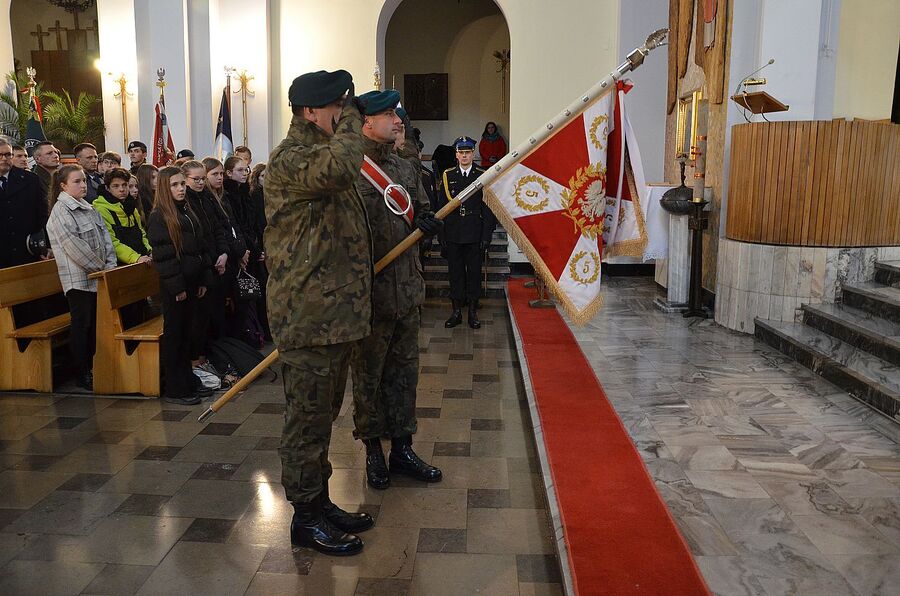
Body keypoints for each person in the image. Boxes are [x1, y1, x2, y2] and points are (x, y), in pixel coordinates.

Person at [266, 69, 372, 556]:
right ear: (311, 111)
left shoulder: (321, 153)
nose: (344, 115)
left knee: (323, 419)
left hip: (332, 317)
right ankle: (305, 518)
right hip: (307, 318)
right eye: (336, 107)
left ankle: (320, 500)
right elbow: (341, 167)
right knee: (306, 422)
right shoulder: (292, 159)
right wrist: (355, 117)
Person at [350, 89, 443, 491]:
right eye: (388, 114)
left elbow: (418, 210)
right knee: (369, 378)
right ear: (367, 122)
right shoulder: (351, 170)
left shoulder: (405, 169)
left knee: (405, 376)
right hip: (370, 297)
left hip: (406, 292)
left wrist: (426, 223)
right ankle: (373, 451)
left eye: (397, 114)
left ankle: (402, 449)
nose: (398, 120)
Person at [45, 164, 117, 391]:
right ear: (63, 186)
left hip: (99, 276)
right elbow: (74, 247)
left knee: (96, 324)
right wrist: (101, 268)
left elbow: (105, 237)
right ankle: (82, 371)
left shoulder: (88, 207)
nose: (83, 185)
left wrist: (110, 265)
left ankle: (97, 366)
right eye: (77, 181)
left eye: (84, 180)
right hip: (79, 280)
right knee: (82, 325)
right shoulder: (61, 212)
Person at [146, 166, 213, 406]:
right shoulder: (159, 216)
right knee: (175, 335)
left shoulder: (186, 211)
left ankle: (187, 378)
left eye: (182, 184)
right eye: (175, 185)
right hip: (176, 286)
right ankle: (175, 386)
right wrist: (178, 287)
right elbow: (164, 256)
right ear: (165, 188)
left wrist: (203, 279)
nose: (181, 189)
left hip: (192, 282)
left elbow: (199, 247)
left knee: (188, 333)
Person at [436, 136, 496, 329]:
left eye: (467, 152)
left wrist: (486, 236)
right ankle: (456, 312)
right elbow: (442, 207)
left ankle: (472, 312)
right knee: (455, 274)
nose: (464, 156)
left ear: (473, 154)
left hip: (474, 232)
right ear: (456, 154)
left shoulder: (482, 175)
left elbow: (488, 208)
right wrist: (441, 235)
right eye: (461, 152)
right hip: (453, 232)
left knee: (474, 274)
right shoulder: (448, 175)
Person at [182, 159, 228, 376]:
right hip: (202, 266)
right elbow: (196, 239)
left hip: (215, 262)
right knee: (197, 319)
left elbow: (219, 226)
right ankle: (196, 361)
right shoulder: (186, 203)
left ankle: (206, 357)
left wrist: (224, 252)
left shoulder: (207, 197)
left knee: (210, 314)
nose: (201, 183)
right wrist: (211, 259)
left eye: (202, 179)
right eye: (196, 179)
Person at [0, 139, 48, 269]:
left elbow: (43, 214)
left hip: (27, 250)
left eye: (8, 154)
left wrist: (48, 246)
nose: (4, 158)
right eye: (0, 155)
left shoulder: (30, 180)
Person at [93, 167, 152, 265]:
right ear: (107, 188)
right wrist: (135, 258)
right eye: (116, 186)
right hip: (120, 264)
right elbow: (112, 242)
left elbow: (141, 233)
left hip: (142, 259)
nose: (121, 189)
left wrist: (149, 250)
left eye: (124, 185)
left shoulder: (131, 206)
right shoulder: (101, 209)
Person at [248, 162, 271, 341]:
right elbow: (256, 224)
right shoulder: (254, 196)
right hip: (259, 247)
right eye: (262, 176)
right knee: (261, 290)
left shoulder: (272, 195)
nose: (266, 179)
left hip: (269, 245)